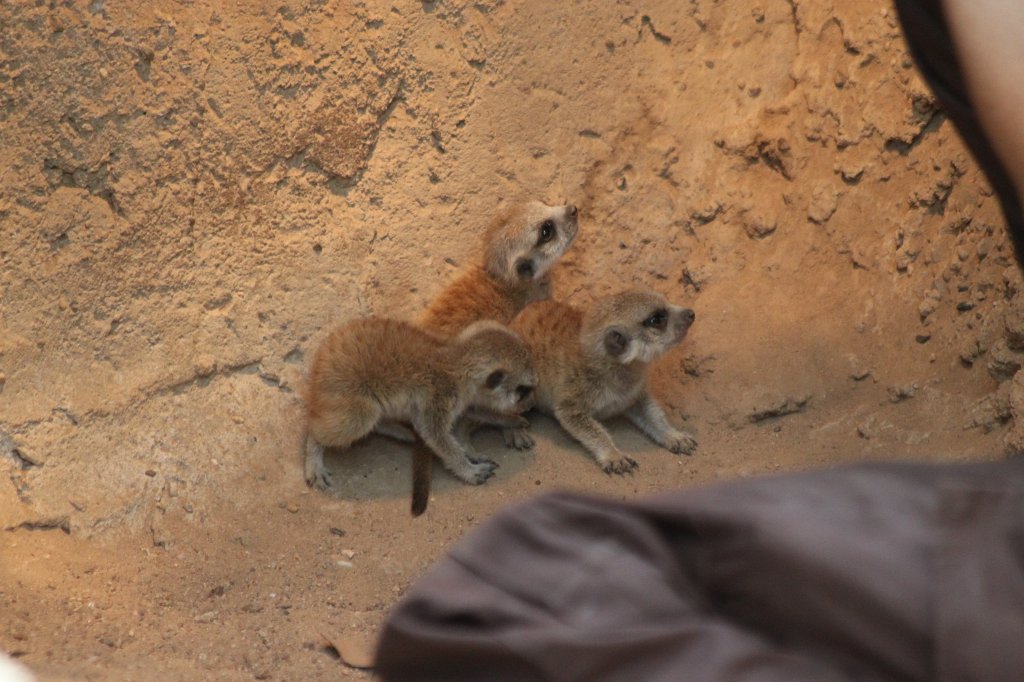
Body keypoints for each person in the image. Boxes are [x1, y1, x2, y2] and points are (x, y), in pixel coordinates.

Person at [374, 2, 1024, 679]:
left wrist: (654, 431)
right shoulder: (556, 357)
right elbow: (559, 403)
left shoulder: (593, 359)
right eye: (658, 324)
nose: (568, 217)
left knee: (510, 579)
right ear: (621, 348)